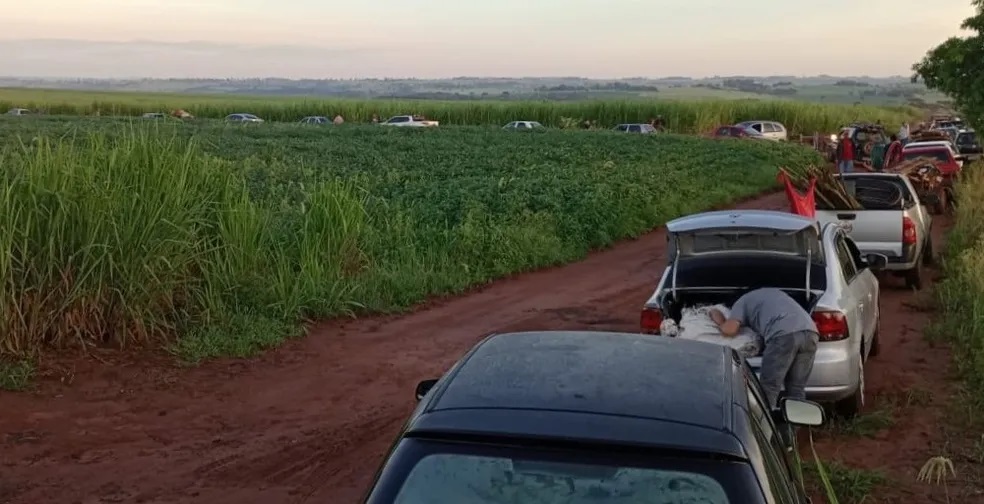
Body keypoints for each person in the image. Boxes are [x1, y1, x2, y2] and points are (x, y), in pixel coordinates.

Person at [709, 288, 820, 408]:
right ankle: (796, 424)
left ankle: (765, 425)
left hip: (783, 335)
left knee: (769, 388)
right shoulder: (775, 294)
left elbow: (729, 330)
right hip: (811, 333)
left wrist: (716, 316)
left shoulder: (741, 302)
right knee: (796, 388)